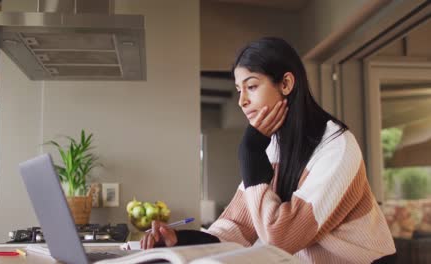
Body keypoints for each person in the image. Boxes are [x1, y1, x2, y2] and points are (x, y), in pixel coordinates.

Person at [140, 37, 396, 263]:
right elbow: (236, 227)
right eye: (239, 90)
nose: (241, 101)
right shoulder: (274, 146)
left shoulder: (337, 147)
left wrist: (250, 152)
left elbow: (281, 238)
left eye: (251, 87)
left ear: (285, 83)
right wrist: (179, 239)